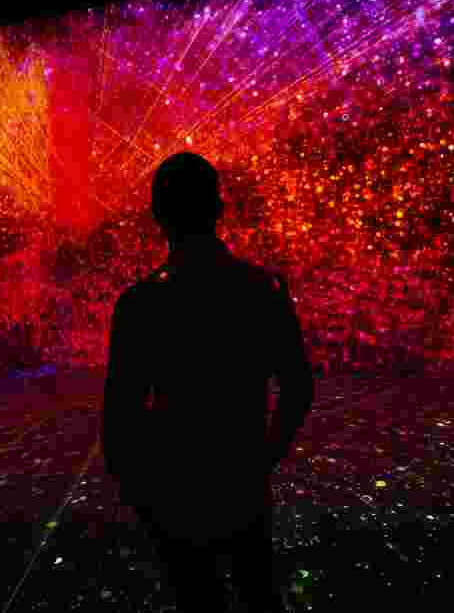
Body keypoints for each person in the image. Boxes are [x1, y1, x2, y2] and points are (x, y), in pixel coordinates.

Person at [102, 152, 315, 612]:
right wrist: (263, 458)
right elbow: (298, 387)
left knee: (196, 600)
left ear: (157, 214)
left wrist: (140, 491)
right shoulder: (262, 289)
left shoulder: (140, 305)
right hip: (241, 476)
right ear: (218, 209)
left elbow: (121, 414)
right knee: (258, 595)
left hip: (175, 487)